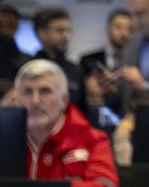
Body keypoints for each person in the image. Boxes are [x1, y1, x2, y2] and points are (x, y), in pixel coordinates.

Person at [15, 59, 119, 187]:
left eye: (45, 91)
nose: (35, 101)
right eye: (28, 92)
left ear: (64, 100)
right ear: (17, 100)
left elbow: (106, 185)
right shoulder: (2, 141)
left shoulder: (93, 140)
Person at [80, 9, 133, 115]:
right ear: (108, 28)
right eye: (118, 27)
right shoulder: (88, 60)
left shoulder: (136, 63)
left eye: (130, 29)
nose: (124, 33)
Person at [33, 8, 84, 102]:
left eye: (68, 31)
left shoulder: (76, 71)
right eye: (59, 31)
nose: (66, 36)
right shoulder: (27, 69)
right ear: (41, 33)